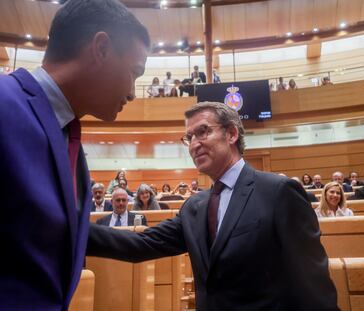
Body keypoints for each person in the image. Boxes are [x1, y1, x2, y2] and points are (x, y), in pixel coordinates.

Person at [88, 101, 339, 311]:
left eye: (203, 131)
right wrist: (68, 228)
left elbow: (313, 285)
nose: (194, 143)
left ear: (231, 134)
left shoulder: (279, 192)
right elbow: (141, 245)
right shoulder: (194, 207)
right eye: (189, 137)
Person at [0, 0, 149, 309]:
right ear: (102, 48)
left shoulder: (70, 141)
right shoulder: (4, 102)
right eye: (134, 73)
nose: (134, 92)